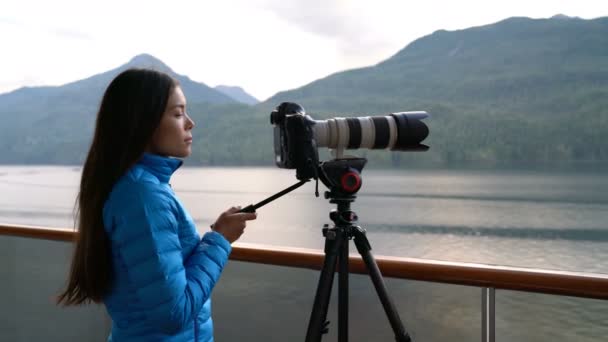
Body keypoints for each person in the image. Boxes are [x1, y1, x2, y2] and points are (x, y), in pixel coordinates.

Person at [57, 68, 257, 341]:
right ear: (143, 123)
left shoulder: (137, 186)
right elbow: (173, 314)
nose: (190, 123)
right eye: (177, 113)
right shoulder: (143, 196)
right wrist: (220, 240)